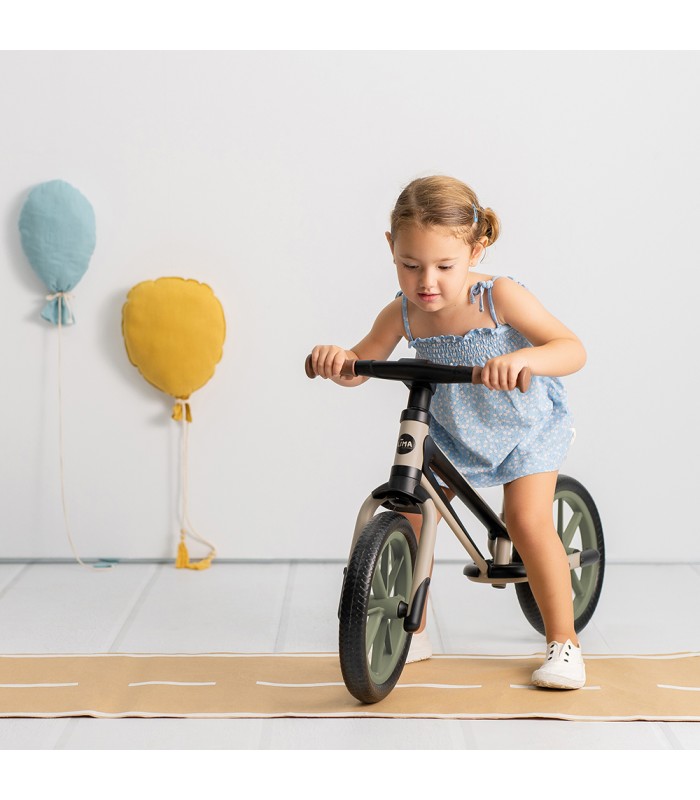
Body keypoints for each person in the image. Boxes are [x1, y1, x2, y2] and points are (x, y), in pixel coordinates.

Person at [310, 175, 587, 690]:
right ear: (391, 248)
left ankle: (564, 642)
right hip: (453, 431)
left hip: (524, 429)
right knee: (412, 517)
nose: (426, 282)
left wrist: (523, 357)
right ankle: (411, 632)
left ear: (476, 249)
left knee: (526, 522)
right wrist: (339, 360)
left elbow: (571, 348)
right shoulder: (403, 311)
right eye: (410, 265)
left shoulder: (498, 297)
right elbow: (361, 363)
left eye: (444, 266)